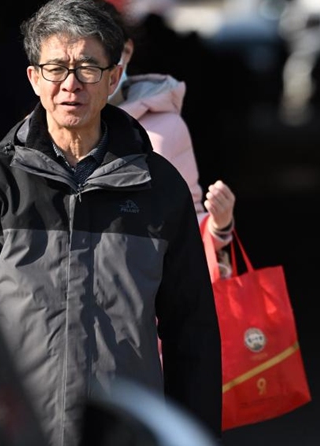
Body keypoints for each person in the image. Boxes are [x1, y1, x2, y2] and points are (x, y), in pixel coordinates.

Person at [0, 0, 222, 446]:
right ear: (34, 78)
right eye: (56, 67)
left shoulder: (159, 187)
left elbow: (190, 333)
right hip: (21, 443)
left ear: (114, 78)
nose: (70, 83)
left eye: (88, 67)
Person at [103, 0, 236, 277]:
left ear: (126, 52)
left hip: (146, 309)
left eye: (97, 55)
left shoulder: (166, 128)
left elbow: (188, 224)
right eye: (67, 63)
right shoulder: (39, 133)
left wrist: (218, 226)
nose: (81, 74)